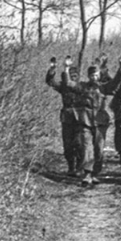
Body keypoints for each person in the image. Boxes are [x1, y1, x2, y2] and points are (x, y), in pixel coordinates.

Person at [46, 56, 109, 186]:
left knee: (84, 146)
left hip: (83, 119)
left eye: (75, 75)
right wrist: (53, 69)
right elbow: (50, 81)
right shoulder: (64, 86)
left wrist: (102, 66)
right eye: (71, 75)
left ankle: (85, 170)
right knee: (69, 144)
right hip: (69, 119)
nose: (73, 77)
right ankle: (72, 168)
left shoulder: (82, 87)